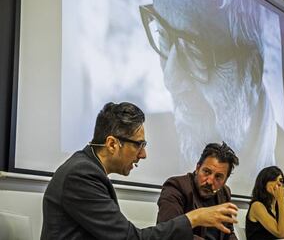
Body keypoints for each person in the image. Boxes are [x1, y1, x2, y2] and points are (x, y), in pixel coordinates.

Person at [140, 0, 284, 190]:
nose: (171, 80)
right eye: (163, 35)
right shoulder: (143, 149)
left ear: (252, 72)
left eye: (195, 51)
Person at [41, 102, 238, 240]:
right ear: (112, 144)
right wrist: (194, 217)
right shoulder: (82, 176)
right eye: (139, 145)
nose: (143, 154)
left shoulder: (87, 169)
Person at [157, 142, 240, 240]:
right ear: (197, 168)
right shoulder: (176, 187)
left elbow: (229, 232)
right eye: (206, 172)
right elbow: (168, 234)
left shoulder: (225, 192)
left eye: (218, 177)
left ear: (225, 180)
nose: (209, 181)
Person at [245, 166, 284, 240]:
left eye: (281, 181)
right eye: (273, 179)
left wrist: (281, 202)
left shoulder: (278, 208)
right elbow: (283, 234)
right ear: (263, 183)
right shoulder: (257, 206)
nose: (279, 184)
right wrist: (281, 200)